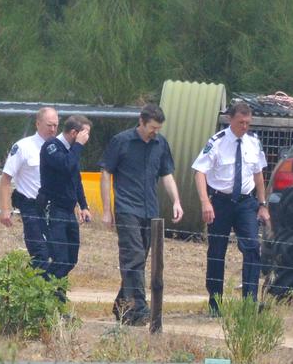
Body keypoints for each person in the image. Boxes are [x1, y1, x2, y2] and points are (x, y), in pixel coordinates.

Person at [99, 103, 184, 325]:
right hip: (127, 208)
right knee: (133, 256)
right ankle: (139, 308)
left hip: (151, 210)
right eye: (152, 127)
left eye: (158, 128)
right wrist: (107, 210)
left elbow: (166, 174)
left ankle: (121, 307)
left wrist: (176, 200)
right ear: (141, 121)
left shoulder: (160, 144)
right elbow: (106, 172)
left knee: (140, 260)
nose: (155, 131)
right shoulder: (121, 141)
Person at [191, 102, 271, 316]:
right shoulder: (216, 142)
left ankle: (250, 303)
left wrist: (262, 204)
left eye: (248, 123)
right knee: (217, 251)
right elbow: (199, 172)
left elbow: (258, 175)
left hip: (246, 203)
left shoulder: (254, 142)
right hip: (220, 202)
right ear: (230, 119)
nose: (244, 126)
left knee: (253, 247)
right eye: (240, 122)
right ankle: (215, 302)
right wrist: (205, 202)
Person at [38, 115, 92, 300]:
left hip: (69, 211)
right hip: (53, 209)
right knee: (59, 258)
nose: (87, 139)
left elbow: (75, 178)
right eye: (85, 134)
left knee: (70, 259)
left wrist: (83, 205)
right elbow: (65, 165)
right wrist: (78, 146)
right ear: (74, 133)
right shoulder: (52, 147)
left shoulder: (71, 151)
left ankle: (51, 295)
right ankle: (44, 295)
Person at [0, 107, 59, 272]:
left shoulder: (60, 147)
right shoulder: (23, 147)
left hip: (53, 208)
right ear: (37, 124)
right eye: (49, 125)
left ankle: (37, 288)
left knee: (58, 253)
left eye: (55, 125)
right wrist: (5, 210)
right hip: (30, 206)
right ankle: (37, 294)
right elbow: (5, 180)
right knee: (40, 253)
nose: (53, 129)